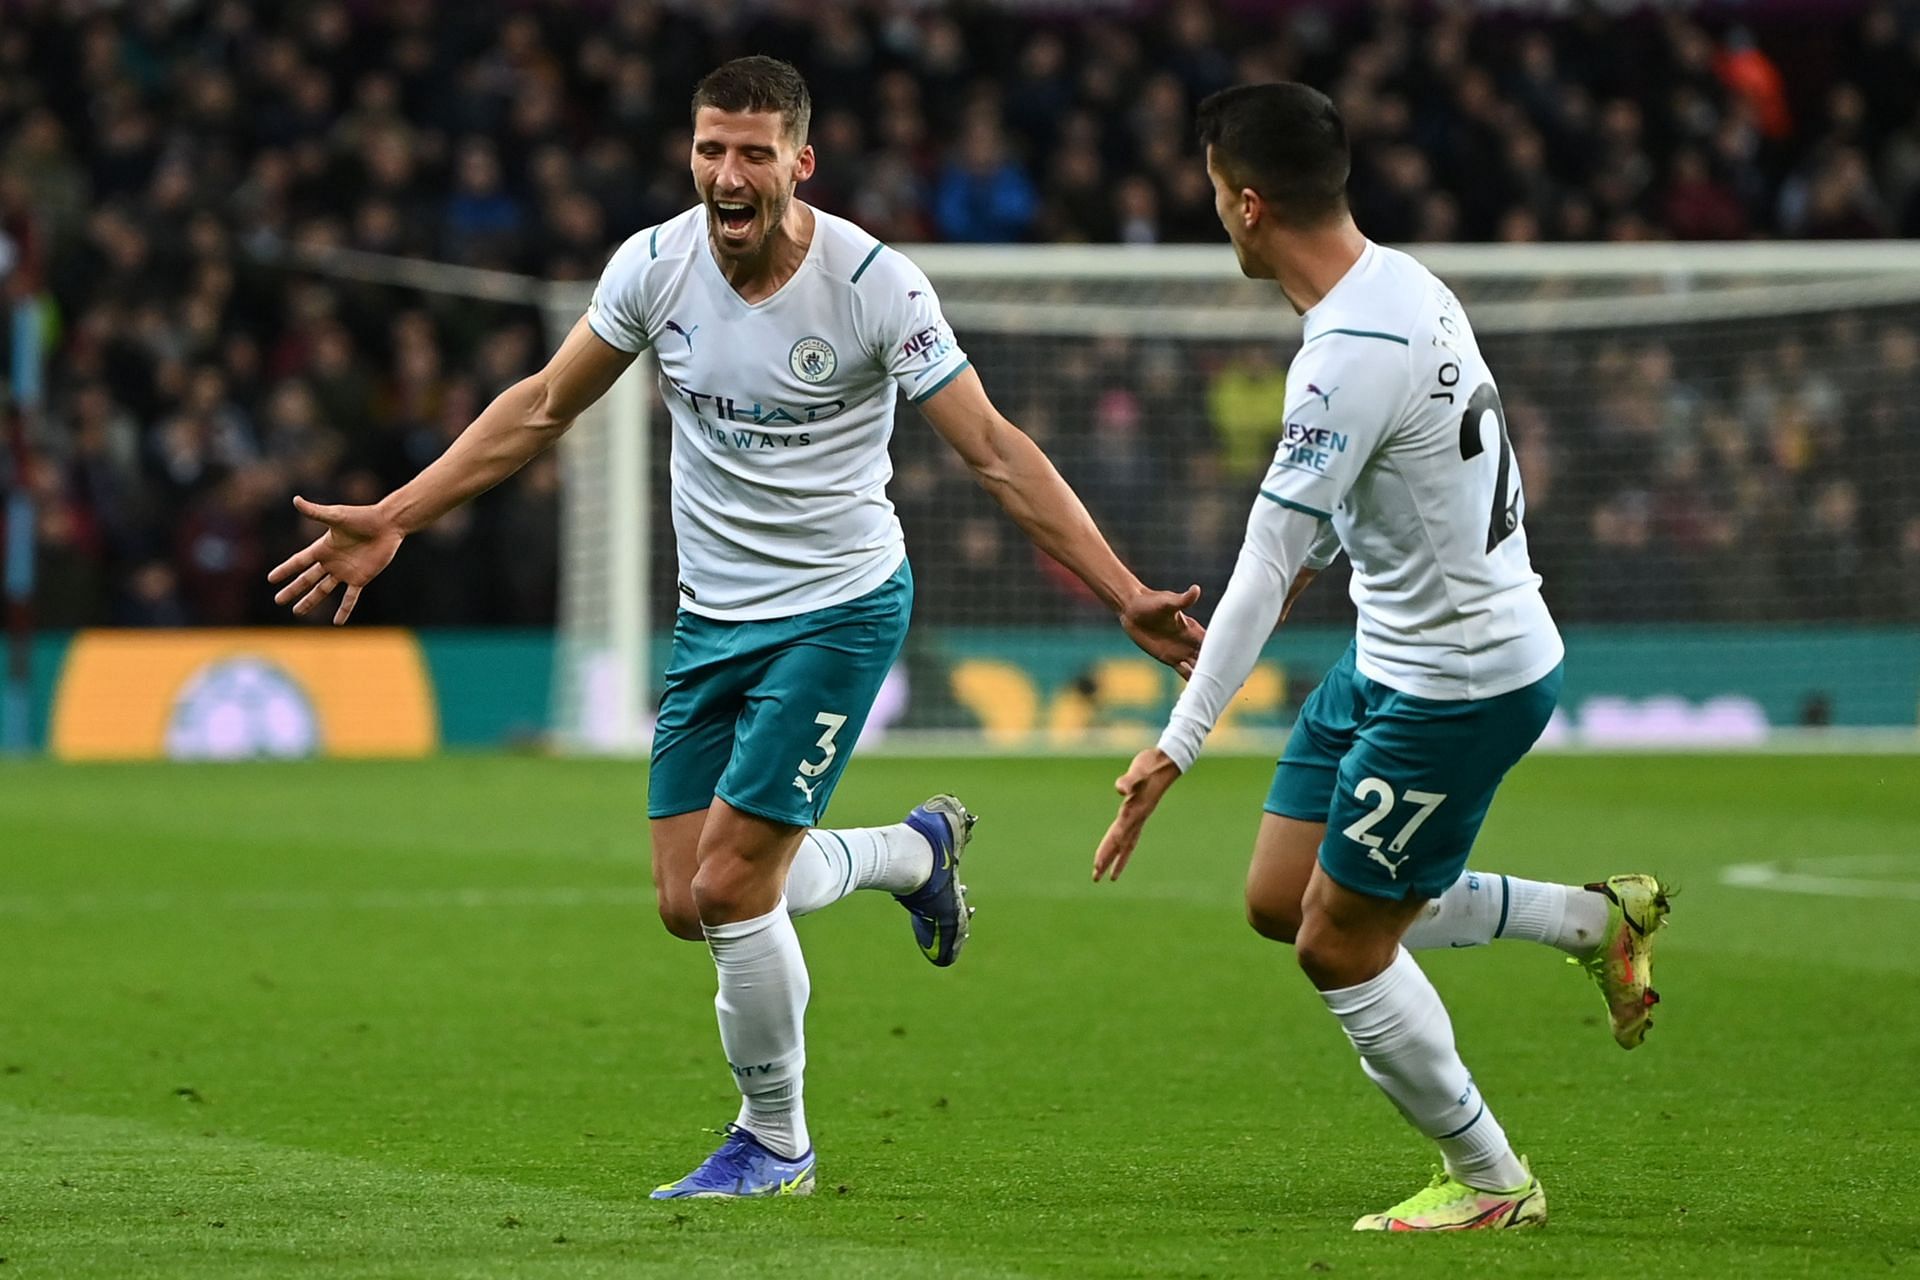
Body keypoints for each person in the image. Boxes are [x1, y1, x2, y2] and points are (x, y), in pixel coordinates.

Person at [267, 56, 1202, 1199]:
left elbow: (995, 449)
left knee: (729, 887)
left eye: (753, 152)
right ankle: (913, 854)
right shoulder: (653, 266)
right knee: (687, 899)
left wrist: (1120, 592)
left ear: (799, 164)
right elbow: (544, 405)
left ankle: (775, 1142)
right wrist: (398, 516)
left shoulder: (874, 286)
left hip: (841, 609)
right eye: (711, 149)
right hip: (713, 618)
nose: (727, 172)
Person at [1091, 83, 1671, 1232]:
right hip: (1390, 654)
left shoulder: (1349, 347)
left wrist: (1175, 744)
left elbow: (1264, 561)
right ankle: (1592, 919)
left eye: (1215, 198)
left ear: (1250, 206)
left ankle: (1493, 1178)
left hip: (1461, 681)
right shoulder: (1401, 283)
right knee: (1279, 896)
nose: (1217, 218)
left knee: (1337, 941)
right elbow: (1352, 515)